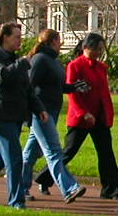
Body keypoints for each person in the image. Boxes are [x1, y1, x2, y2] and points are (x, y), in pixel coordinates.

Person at [39, 33, 118, 200]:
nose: (99, 52)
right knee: (69, 151)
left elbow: (104, 93)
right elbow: (72, 94)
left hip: (99, 117)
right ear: (86, 48)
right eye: (96, 49)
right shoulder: (75, 66)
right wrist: (83, 113)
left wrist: (108, 114)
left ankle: (111, 190)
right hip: (81, 118)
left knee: (106, 153)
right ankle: (45, 178)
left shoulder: (100, 67)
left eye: (101, 49)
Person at [0, 22, 45, 208]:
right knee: (14, 158)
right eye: (16, 37)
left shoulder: (15, 59)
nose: (19, 41)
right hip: (1, 113)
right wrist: (22, 63)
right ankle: (16, 201)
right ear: (5, 37)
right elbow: (2, 76)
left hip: (16, 115)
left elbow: (27, 89)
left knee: (0, 157)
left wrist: (39, 109)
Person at [20, 29, 87, 204]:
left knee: (31, 153)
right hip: (42, 112)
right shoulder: (40, 60)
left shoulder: (53, 61)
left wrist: (74, 87)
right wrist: (32, 110)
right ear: (53, 41)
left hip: (51, 111)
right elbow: (29, 85)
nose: (61, 43)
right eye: (59, 40)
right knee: (53, 150)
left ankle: (20, 187)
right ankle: (69, 188)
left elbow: (57, 86)